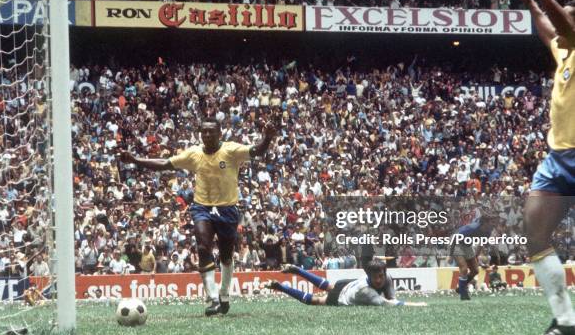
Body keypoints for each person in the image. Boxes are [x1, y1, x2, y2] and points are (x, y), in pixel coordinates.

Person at [121, 117, 278, 316]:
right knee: (203, 247)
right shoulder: (194, 154)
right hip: (202, 207)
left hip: (227, 209)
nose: (207, 135)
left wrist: (268, 138)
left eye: (211, 131)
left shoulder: (231, 150)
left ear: (219, 133)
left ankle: (224, 295)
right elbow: (165, 164)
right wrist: (135, 160)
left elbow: (256, 151)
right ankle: (212, 298)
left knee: (226, 256)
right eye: (204, 132)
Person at [510, 0, 575, 335]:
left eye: (569, 19)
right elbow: (549, 29)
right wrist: (528, 1)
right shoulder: (565, 54)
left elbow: (562, 24)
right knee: (535, 233)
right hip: (558, 159)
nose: (562, 24)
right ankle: (567, 320)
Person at [264, 260, 426, 307]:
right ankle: (281, 287)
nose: (379, 280)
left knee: (327, 285)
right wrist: (417, 304)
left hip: (346, 284)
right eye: (375, 277)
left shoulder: (387, 277)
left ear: (384, 273)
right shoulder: (367, 292)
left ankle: (298, 270)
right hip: (344, 295)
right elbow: (390, 304)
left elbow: (392, 296)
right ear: (368, 276)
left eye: (381, 276)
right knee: (317, 300)